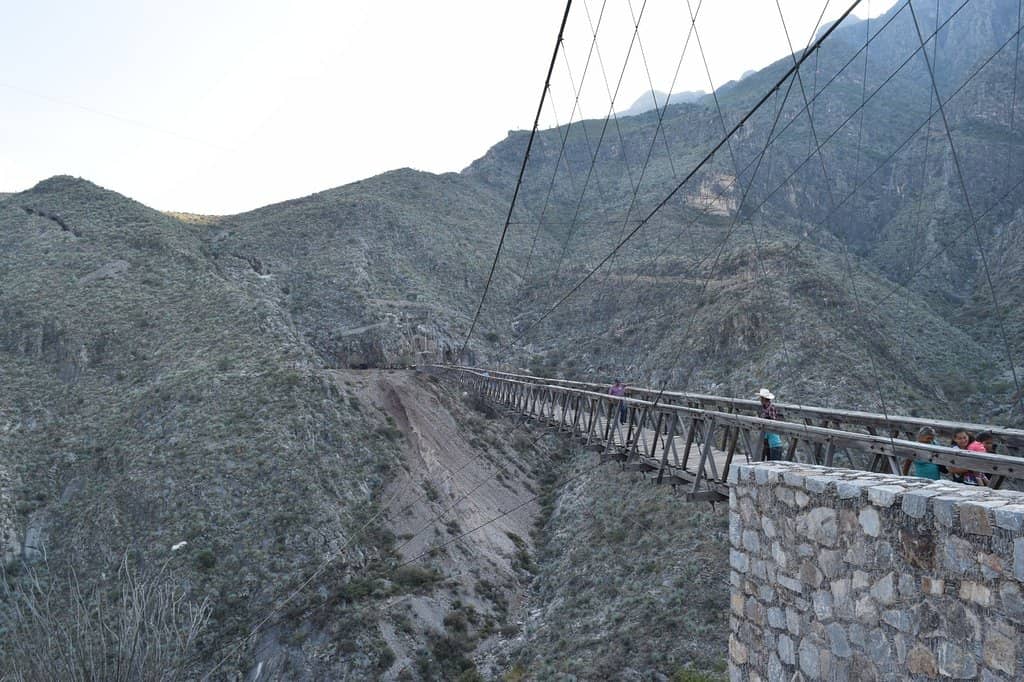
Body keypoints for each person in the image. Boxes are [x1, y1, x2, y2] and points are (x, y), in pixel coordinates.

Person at [757, 388, 783, 460]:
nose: (760, 400)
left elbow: (773, 422)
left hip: (774, 443)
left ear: (764, 399)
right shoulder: (763, 408)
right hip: (767, 441)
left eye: (761, 398)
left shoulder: (771, 408)